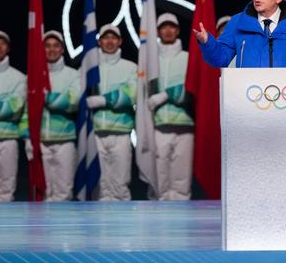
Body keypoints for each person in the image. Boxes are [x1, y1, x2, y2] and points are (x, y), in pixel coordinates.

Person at [20, 30, 80, 201]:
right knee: (43, 193)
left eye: (56, 46)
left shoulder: (73, 75)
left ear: (62, 49)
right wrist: (27, 139)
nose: (52, 49)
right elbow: (25, 111)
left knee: (63, 192)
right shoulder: (31, 77)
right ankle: (45, 228)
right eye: (47, 46)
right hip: (40, 143)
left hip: (65, 140)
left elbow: (73, 101)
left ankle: (62, 228)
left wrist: (46, 96)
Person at [146, 13, 195, 200]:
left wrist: (165, 95)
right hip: (158, 124)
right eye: (164, 27)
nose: (168, 30)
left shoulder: (188, 58)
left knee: (181, 177)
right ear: (158, 31)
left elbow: (191, 87)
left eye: (171, 27)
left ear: (177, 30)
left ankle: (181, 219)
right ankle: (159, 219)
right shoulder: (150, 61)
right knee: (161, 176)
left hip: (184, 124)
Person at [86, 24, 137, 201]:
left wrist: (103, 100)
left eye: (113, 37)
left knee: (119, 184)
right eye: (105, 38)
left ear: (120, 41)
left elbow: (132, 93)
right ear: (99, 42)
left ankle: (122, 227)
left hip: (120, 133)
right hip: (96, 133)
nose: (109, 41)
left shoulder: (130, 67)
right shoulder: (90, 68)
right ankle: (102, 227)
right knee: (100, 186)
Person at [0, 31, 26, 201]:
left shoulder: (19, 78)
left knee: (6, 190)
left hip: (8, 139)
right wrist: (3, 102)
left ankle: (5, 228)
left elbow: (14, 109)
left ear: (8, 48)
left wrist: (5, 106)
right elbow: (5, 106)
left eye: (2, 43)